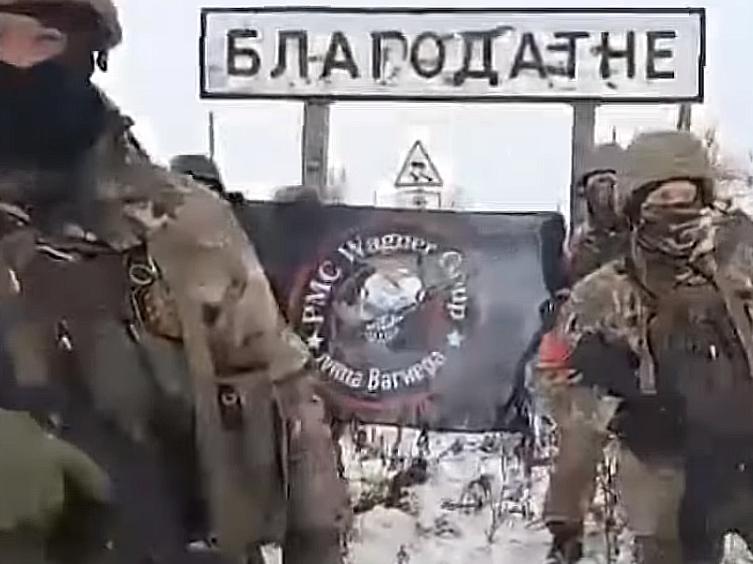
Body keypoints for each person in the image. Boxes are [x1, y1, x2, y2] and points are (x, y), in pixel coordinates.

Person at [0, 2, 349, 563]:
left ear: (90, 52)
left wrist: (317, 544)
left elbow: (289, 400)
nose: (16, 60)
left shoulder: (184, 223)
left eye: (44, 37)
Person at [539, 129, 753, 563]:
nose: (676, 209)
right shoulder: (604, 292)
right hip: (667, 482)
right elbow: (561, 392)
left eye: (685, 196)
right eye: (661, 199)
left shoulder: (738, 272)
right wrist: (566, 520)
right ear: (636, 206)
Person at [536, 143, 627, 563]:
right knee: (577, 442)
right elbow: (569, 303)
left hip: (652, 358)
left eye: (612, 184)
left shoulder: (652, 239)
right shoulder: (583, 244)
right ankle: (565, 533)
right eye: (596, 185)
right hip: (594, 361)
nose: (604, 195)